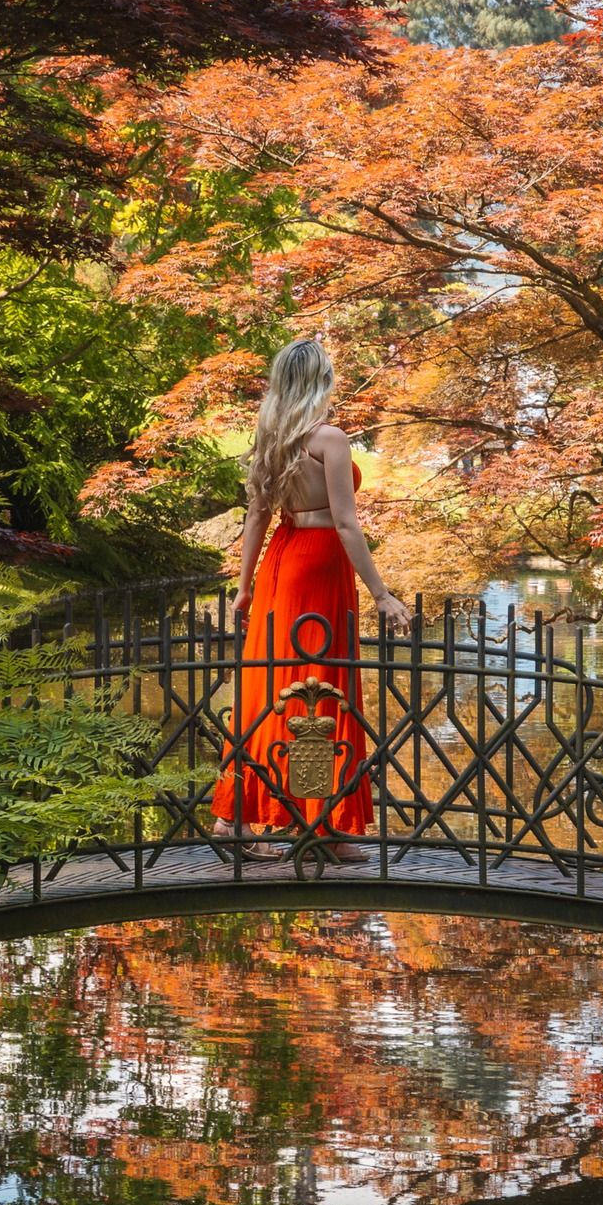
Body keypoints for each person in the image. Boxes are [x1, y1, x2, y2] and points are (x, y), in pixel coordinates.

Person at [211, 339, 411, 866]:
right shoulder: (331, 438)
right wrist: (382, 593)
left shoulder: (271, 439)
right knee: (324, 690)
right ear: (320, 381)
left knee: (272, 688)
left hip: (282, 558)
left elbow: (256, 516)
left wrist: (245, 583)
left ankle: (236, 818)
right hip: (321, 563)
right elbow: (346, 524)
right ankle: (326, 828)